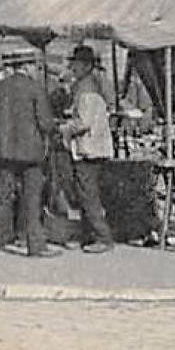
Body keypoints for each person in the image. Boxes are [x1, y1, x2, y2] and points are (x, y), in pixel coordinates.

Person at [0, 52, 59, 258]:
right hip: (31, 153)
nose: (35, 69)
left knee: (1, 198)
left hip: (3, 152)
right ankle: (35, 245)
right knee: (32, 199)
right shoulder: (35, 89)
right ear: (26, 66)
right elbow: (46, 123)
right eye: (33, 65)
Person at [63, 45, 115, 253]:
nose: (72, 67)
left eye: (75, 63)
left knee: (87, 194)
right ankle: (87, 236)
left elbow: (83, 122)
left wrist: (64, 127)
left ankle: (103, 237)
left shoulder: (86, 89)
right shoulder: (92, 84)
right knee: (85, 191)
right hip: (94, 146)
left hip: (88, 147)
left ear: (86, 65)